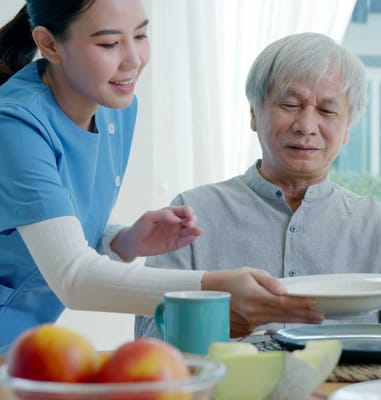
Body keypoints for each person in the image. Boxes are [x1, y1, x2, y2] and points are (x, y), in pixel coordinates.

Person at [0, 1, 324, 353]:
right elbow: (73, 278)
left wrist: (122, 241)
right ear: (48, 44)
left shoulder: (114, 109)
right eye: (109, 44)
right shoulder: (16, 126)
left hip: (18, 341)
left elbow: (48, 217)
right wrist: (213, 290)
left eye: (140, 35)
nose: (134, 59)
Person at [135, 31, 381, 339]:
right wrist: (221, 320)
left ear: (346, 129)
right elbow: (150, 336)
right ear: (253, 114)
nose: (306, 126)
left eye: (327, 111)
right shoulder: (193, 214)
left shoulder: (380, 227)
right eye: (289, 104)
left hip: (350, 387)